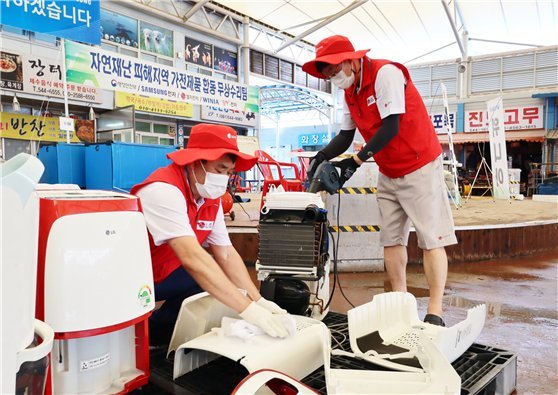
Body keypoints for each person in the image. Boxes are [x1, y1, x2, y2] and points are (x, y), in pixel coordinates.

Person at [303, 35, 457, 326]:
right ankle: (400, 306)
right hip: (390, 169)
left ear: (351, 61)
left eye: (335, 71)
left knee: (431, 238)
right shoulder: (350, 93)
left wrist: (355, 163)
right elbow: (346, 136)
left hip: (419, 164)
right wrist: (322, 156)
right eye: (327, 75)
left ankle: (435, 312)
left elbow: (391, 127)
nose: (333, 78)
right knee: (391, 240)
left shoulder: (385, 74)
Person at [131, 123, 290, 345]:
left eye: (229, 172)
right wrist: (248, 310)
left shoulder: (210, 199)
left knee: (213, 279)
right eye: (219, 170)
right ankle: (134, 336)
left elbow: (225, 253)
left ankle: (155, 335)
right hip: (131, 279)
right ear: (196, 162)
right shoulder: (163, 191)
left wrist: (258, 300)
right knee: (205, 274)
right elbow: (192, 257)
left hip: (162, 272)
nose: (224, 179)